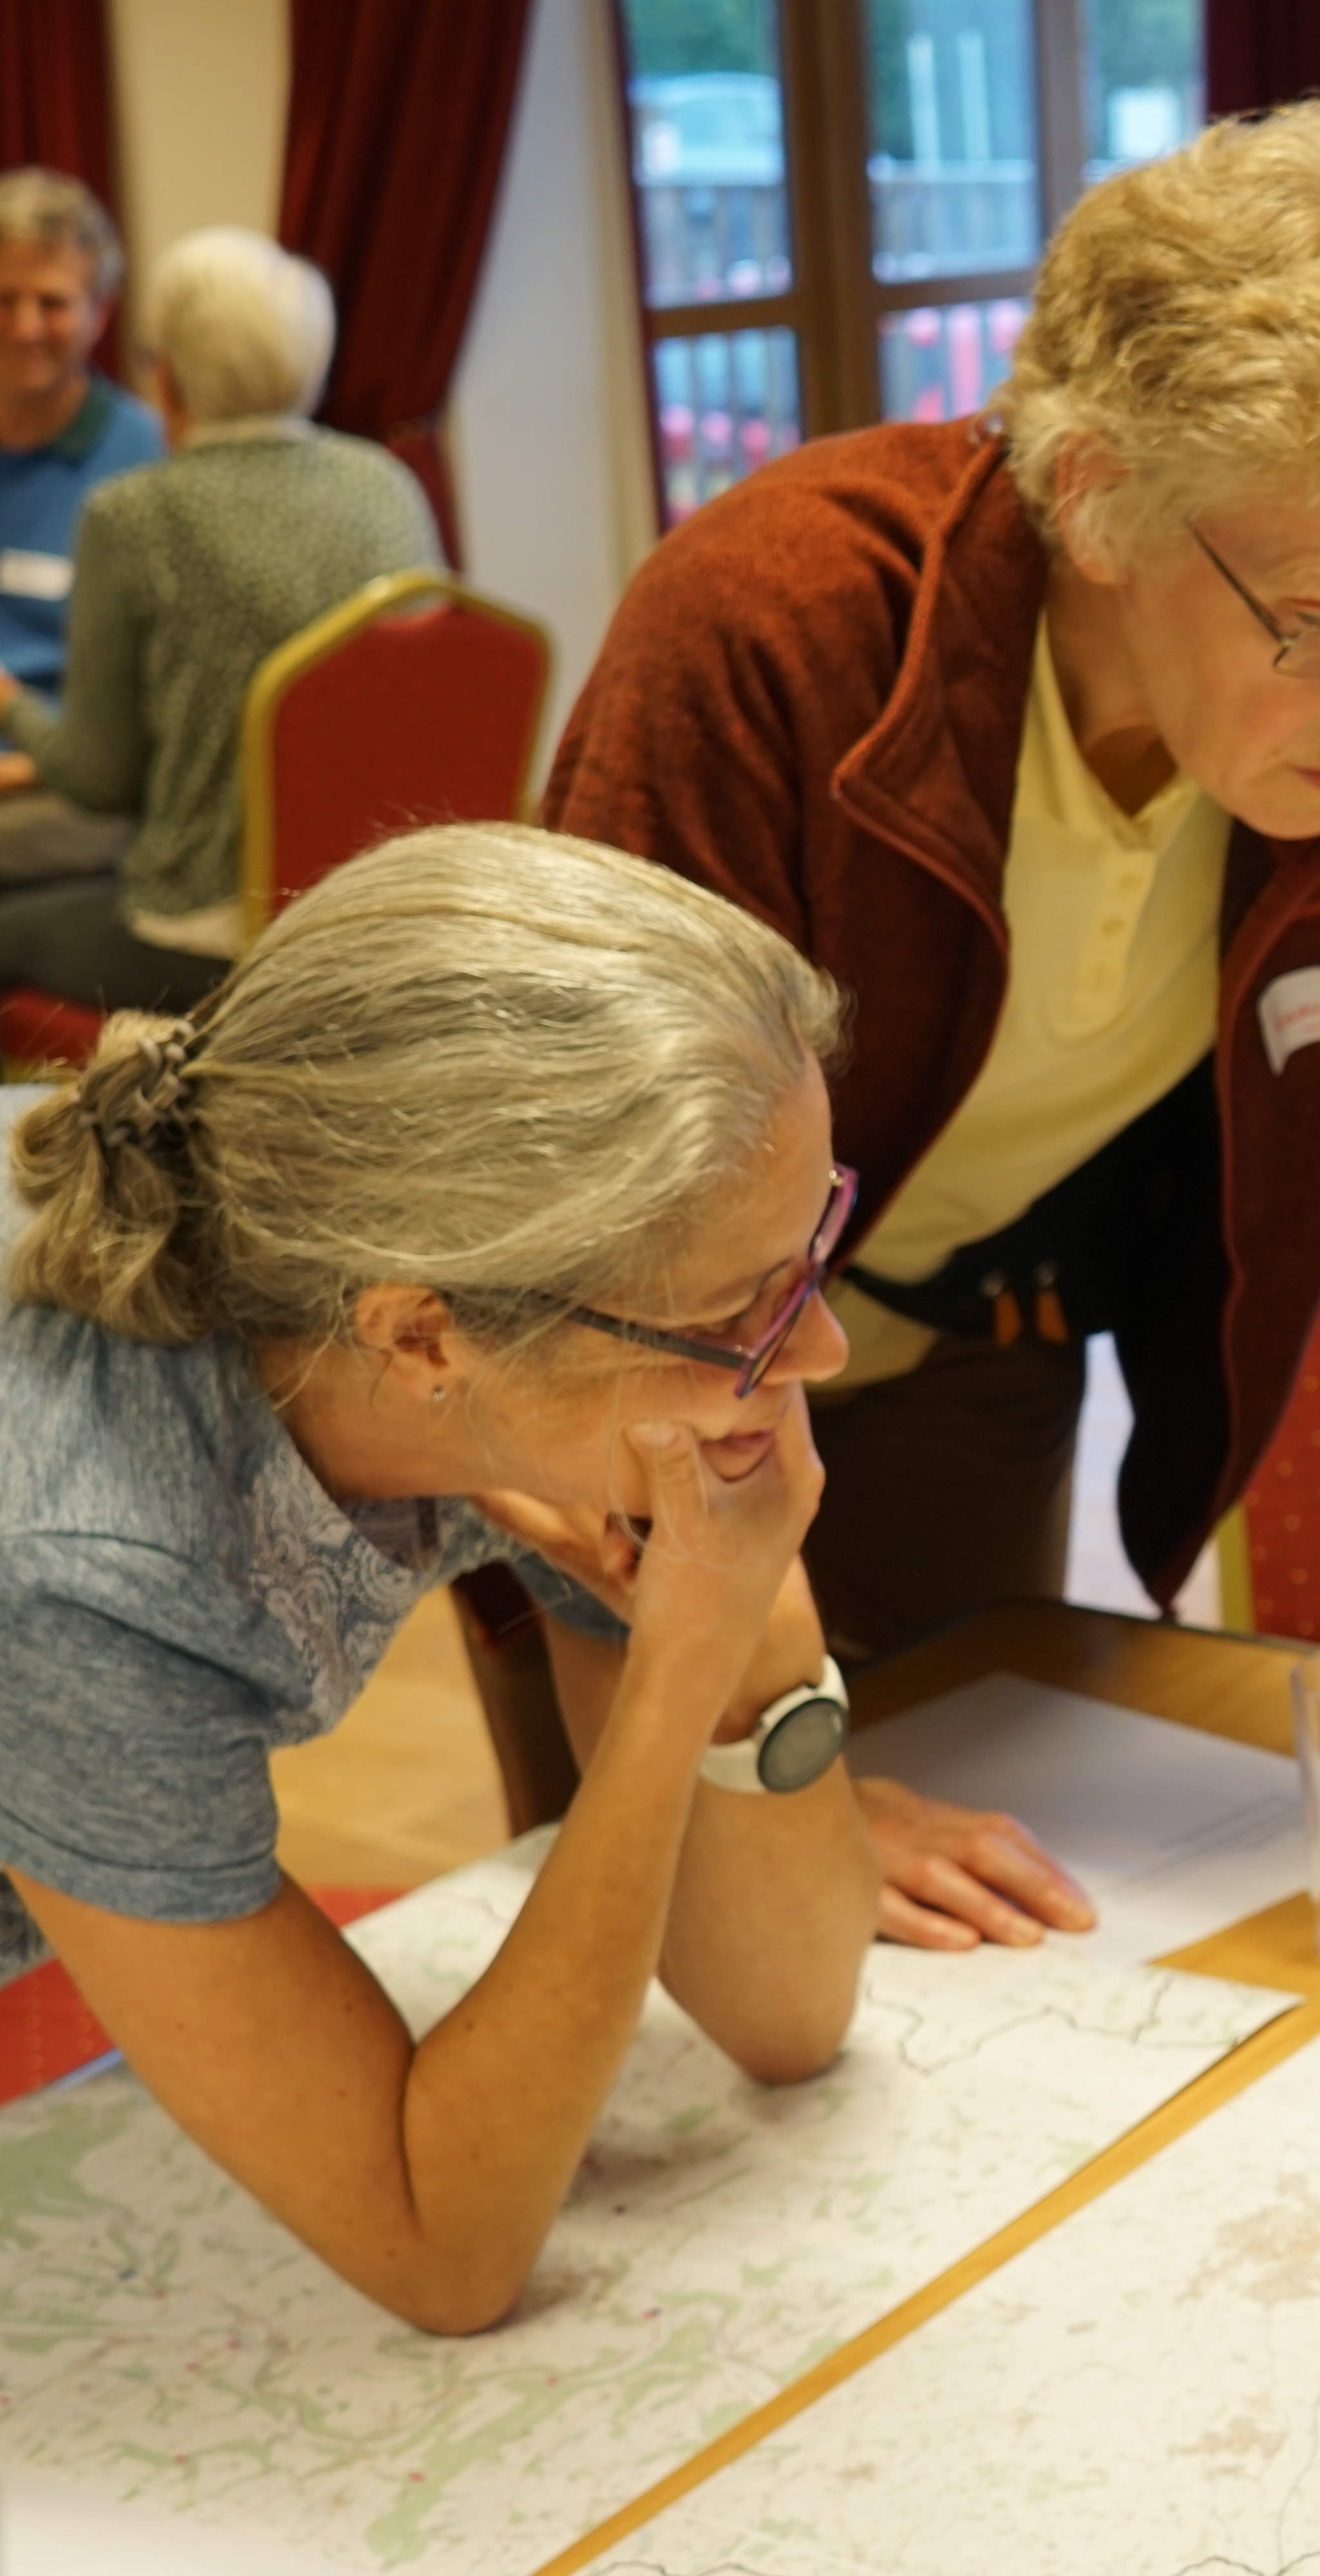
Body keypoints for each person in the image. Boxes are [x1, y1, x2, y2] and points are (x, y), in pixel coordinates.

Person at [545, 97, 1320, 1949]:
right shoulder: (779, 628)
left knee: (991, 1949)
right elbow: (584, 1239)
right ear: (1093, 497)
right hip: (627, 1401)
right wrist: (776, 1762)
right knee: (690, 1965)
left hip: (962, 1344)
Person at [0, 824, 882, 2335]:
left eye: (811, 1259)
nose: (820, 1354)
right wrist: (679, 1672)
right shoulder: (82, 1570)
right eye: (748, 1307)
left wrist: (751, 1604)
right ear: (421, 1342)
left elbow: (790, 2010)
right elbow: (441, 2249)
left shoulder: (459, 1328)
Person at [0, 227, 435, 1015]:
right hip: (385, 911)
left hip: (215, 934)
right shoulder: (386, 486)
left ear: (168, 380)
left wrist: (9, 704)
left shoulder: (137, 514)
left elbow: (100, 781)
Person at [0, 167, 164, 883]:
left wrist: (23, 766)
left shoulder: (147, 462)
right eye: (5, 299)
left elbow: (150, 710)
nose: (26, 327)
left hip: (70, 790)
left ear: (101, 310)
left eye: (53, 303)